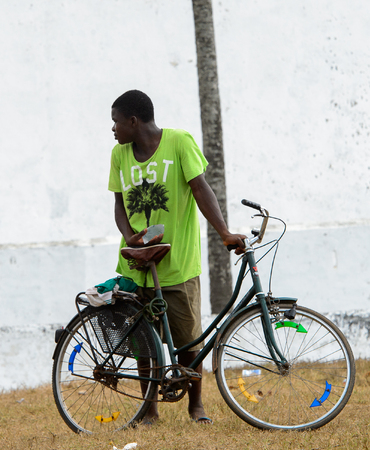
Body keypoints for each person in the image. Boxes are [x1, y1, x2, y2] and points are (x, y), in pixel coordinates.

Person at [108, 90, 246, 425]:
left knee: (189, 341)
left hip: (178, 265)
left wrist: (224, 232)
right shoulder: (119, 154)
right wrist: (130, 239)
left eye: (115, 122)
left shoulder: (179, 142)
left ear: (133, 120)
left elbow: (201, 189)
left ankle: (196, 406)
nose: (112, 129)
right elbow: (119, 205)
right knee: (144, 343)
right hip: (137, 265)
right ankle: (149, 411)